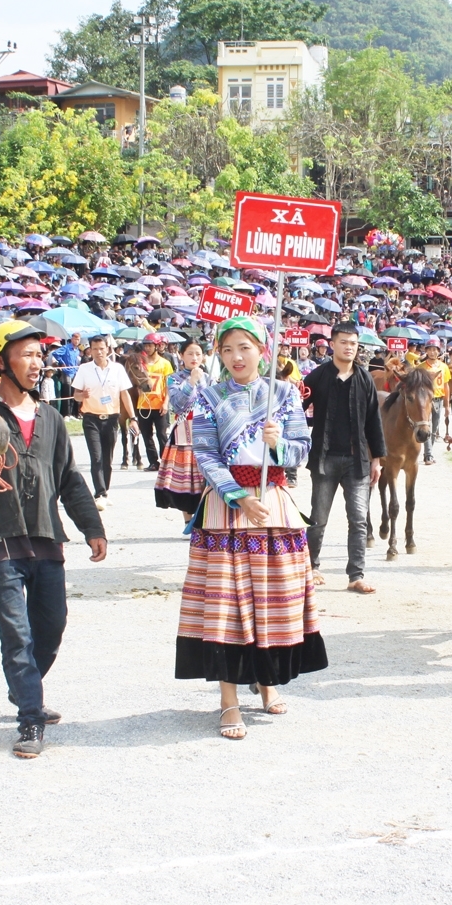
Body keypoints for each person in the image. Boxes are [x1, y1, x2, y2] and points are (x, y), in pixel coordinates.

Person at [0, 320, 107, 759]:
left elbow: (69, 479)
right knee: (16, 632)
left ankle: (23, 686)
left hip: (47, 539)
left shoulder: (49, 417)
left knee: (52, 627)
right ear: (0, 362)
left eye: (38, 355)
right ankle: (30, 717)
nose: (38, 362)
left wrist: (92, 528)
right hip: (0, 540)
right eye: (27, 354)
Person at [176, 316, 326, 740]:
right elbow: (204, 454)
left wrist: (278, 443)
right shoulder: (209, 396)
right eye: (227, 349)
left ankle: (268, 682)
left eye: (244, 347)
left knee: (270, 598)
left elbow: (300, 452)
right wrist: (238, 496)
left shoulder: (284, 395)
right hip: (227, 509)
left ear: (263, 349)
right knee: (225, 603)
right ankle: (228, 700)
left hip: (274, 508)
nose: (236, 357)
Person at [303, 320, 386, 594]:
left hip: (358, 460)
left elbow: (374, 420)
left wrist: (377, 459)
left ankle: (356, 576)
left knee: (359, 518)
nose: (349, 348)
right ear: (333, 344)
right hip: (325, 459)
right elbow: (295, 408)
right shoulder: (316, 377)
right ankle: (311, 567)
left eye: (353, 343)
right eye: (343, 342)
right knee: (318, 518)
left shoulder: (365, 379)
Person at [71, 334, 134, 510]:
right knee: (96, 457)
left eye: (102, 348)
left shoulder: (117, 369)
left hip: (111, 418)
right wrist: (81, 396)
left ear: (108, 349)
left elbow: (125, 394)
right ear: (90, 350)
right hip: (91, 418)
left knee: (107, 459)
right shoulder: (84, 369)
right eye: (95, 349)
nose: (99, 352)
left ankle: (104, 491)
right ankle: (99, 493)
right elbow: (75, 395)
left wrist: (133, 417)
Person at [156, 339, 210, 522]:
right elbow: (178, 403)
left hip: (206, 431)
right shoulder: (173, 378)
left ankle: (204, 517)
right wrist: (191, 382)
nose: (194, 357)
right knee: (186, 478)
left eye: (198, 353)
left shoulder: (209, 379)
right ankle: (188, 518)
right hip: (184, 433)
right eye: (190, 353)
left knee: (206, 476)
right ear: (181, 355)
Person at [133, 338, 173, 471]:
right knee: (146, 434)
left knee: (161, 434)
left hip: (160, 404)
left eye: (150, 345)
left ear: (157, 346)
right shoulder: (140, 363)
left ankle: (165, 460)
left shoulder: (165, 364)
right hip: (143, 404)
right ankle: (153, 461)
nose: (147, 348)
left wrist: (166, 402)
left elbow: (169, 385)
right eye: (145, 346)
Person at [419, 340, 450, 464]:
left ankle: (428, 451)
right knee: (428, 425)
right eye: (429, 349)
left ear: (438, 351)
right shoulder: (421, 367)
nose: (432, 352)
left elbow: (446, 386)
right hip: (426, 400)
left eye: (435, 349)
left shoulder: (444, 367)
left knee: (435, 426)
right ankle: (429, 455)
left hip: (439, 400)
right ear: (426, 351)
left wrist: (447, 405)